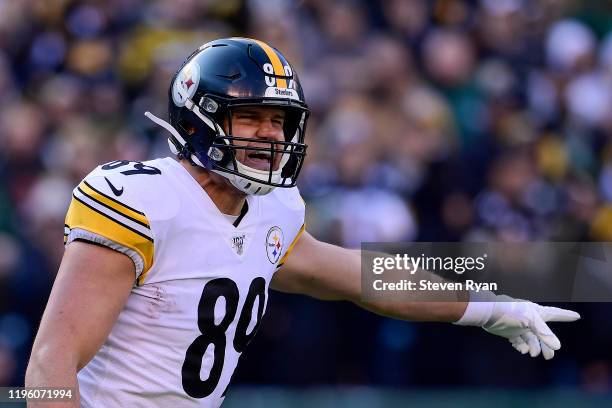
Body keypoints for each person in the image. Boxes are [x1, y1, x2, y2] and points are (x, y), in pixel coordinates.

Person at [25, 38, 580, 407]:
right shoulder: (143, 200)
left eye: (280, 121)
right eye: (252, 118)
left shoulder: (273, 211)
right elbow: (49, 368)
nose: (270, 135)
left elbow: (367, 278)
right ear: (200, 120)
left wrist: (489, 308)